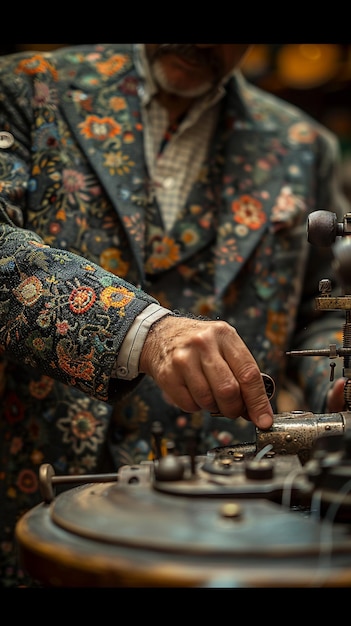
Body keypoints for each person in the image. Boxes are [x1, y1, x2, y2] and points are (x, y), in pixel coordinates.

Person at [0, 43, 348, 587]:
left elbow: (317, 309)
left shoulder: (306, 147)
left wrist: (337, 376)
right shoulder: (25, 89)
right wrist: (146, 332)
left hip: (226, 531)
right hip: (32, 509)